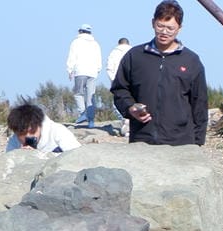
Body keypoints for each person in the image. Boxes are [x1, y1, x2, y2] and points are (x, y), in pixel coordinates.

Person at [111, 2, 209, 147]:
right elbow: (120, 89)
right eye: (160, 26)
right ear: (153, 23)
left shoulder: (191, 60)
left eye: (170, 28)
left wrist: (198, 142)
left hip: (180, 142)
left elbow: (199, 103)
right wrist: (130, 108)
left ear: (179, 29)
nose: (164, 32)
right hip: (142, 139)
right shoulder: (135, 56)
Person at [4, 102, 80, 154]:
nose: (28, 136)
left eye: (33, 131)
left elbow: (79, 156)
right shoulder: (14, 142)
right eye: (22, 133)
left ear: (40, 125)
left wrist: (39, 156)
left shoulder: (58, 132)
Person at [66, 24, 101, 126]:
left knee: (78, 93)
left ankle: (83, 113)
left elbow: (72, 56)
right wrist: (97, 70)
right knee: (91, 96)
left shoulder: (76, 42)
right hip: (93, 72)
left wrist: (69, 69)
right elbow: (99, 59)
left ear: (80, 31)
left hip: (80, 70)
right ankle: (91, 121)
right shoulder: (95, 44)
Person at [106, 37, 132, 135]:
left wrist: (113, 80)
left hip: (117, 81)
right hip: (131, 81)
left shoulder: (114, 52)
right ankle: (129, 122)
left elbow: (109, 67)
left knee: (117, 103)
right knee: (131, 100)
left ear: (119, 43)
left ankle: (124, 120)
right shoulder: (133, 51)